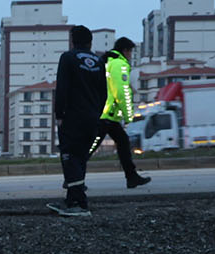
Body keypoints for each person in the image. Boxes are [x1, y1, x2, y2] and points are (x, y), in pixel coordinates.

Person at [48, 25, 106, 217]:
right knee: (80, 158)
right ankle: (71, 199)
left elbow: (62, 88)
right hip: (92, 118)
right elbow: (104, 93)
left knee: (69, 157)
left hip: (73, 117)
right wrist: (96, 114)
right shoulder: (99, 61)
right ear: (90, 42)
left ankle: (80, 204)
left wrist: (59, 115)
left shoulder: (68, 58)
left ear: (72, 40)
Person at [91, 36, 152, 190]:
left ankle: (132, 177)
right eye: (130, 52)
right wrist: (128, 114)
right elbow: (121, 91)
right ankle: (73, 177)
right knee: (90, 147)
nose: (131, 55)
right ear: (125, 51)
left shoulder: (109, 62)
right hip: (106, 115)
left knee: (122, 141)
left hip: (105, 114)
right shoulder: (119, 64)